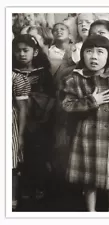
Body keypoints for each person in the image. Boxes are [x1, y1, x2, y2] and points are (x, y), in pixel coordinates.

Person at [62, 35, 109, 212]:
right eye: (89, 52)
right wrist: (91, 100)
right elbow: (66, 105)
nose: (94, 57)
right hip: (86, 138)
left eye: (100, 52)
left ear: (108, 56)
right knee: (89, 181)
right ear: (82, 54)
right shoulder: (75, 80)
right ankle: (91, 214)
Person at [12, 34, 54, 199]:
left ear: (35, 52)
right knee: (21, 154)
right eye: (18, 51)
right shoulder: (11, 72)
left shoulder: (43, 73)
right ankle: (24, 188)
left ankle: (40, 186)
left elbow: (51, 97)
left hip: (39, 120)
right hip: (16, 120)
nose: (22, 54)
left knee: (38, 154)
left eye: (26, 50)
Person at [12, 71, 31, 210]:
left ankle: (11, 199)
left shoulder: (15, 78)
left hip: (9, 126)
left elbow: (22, 109)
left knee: (11, 165)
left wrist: (20, 134)